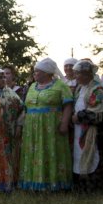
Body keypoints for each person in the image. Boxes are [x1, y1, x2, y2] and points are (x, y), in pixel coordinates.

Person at [18, 58, 74, 191]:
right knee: (34, 151)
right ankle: (33, 182)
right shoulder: (32, 86)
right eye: (35, 71)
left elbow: (68, 105)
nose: (34, 73)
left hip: (51, 126)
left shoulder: (61, 86)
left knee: (51, 151)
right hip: (32, 127)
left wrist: (64, 123)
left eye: (38, 71)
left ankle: (53, 183)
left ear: (47, 73)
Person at [70, 60, 103, 192]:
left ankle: (94, 186)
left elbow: (101, 113)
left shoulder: (98, 89)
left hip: (93, 132)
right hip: (79, 130)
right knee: (79, 154)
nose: (76, 77)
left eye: (78, 74)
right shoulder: (80, 89)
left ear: (87, 74)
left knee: (92, 156)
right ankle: (80, 185)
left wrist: (80, 116)